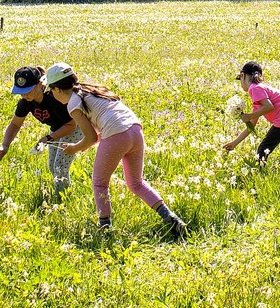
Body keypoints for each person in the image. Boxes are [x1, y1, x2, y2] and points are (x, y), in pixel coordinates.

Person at [43, 62, 188, 238]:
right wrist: (79, 146)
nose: (51, 94)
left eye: (50, 90)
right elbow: (96, 134)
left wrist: (74, 148)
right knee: (136, 183)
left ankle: (105, 230)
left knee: (99, 183)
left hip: (116, 134)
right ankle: (172, 219)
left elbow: (90, 138)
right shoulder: (92, 89)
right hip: (135, 130)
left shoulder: (73, 104)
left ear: (57, 89)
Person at [0, 64, 85, 198]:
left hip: (76, 128)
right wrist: (5, 145)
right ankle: (62, 194)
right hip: (57, 129)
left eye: (28, 90)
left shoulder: (54, 97)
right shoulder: (26, 102)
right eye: (21, 91)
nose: (24, 95)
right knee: (52, 166)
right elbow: (15, 124)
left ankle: (61, 200)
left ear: (40, 84)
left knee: (60, 166)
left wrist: (48, 138)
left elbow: (71, 124)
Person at [223, 61, 280, 167]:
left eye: (240, 79)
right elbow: (251, 127)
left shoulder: (254, 88)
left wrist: (249, 116)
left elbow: (269, 106)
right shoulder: (261, 90)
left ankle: (260, 174)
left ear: (243, 75)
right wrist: (234, 143)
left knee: (263, 149)